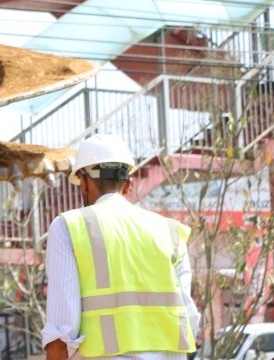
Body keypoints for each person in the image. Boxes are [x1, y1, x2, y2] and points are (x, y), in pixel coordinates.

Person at [42, 134, 200, 360]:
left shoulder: (69, 227)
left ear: (84, 183)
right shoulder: (170, 232)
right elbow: (189, 320)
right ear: (128, 184)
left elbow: (61, 333)